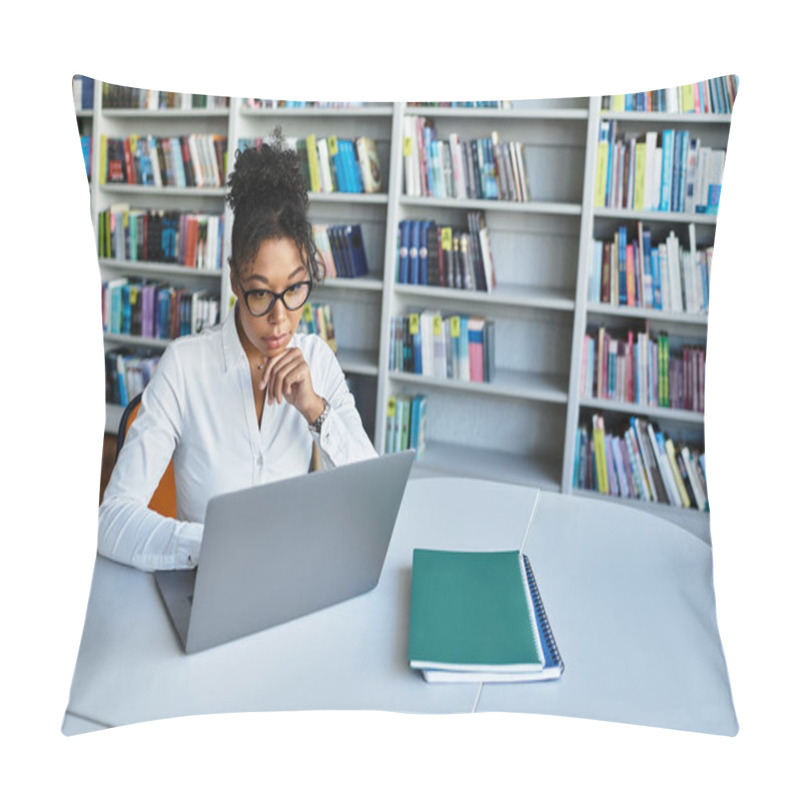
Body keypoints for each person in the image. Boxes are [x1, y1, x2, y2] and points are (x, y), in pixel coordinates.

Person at [98, 131, 378, 572]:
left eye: (296, 289)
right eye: (260, 294)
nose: (280, 319)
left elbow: (373, 497)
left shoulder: (317, 360)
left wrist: (315, 410)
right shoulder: (186, 367)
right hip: (206, 579)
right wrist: (216, 543)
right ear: (234, 281)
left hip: (292, 580)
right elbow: (112, 520)